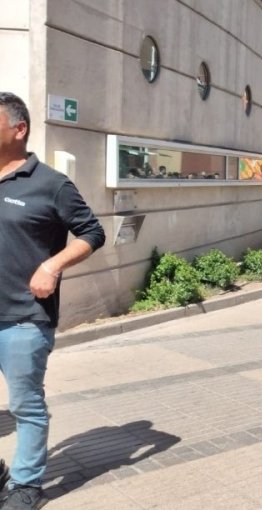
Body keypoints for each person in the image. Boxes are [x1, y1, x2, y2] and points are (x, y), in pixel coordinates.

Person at [0, 92, 106, 509]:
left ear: (18, 129)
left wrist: (52, 266)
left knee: (26, 406)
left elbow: (92, 233)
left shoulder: (50, 184)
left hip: (24, 318)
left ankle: (26, 487)